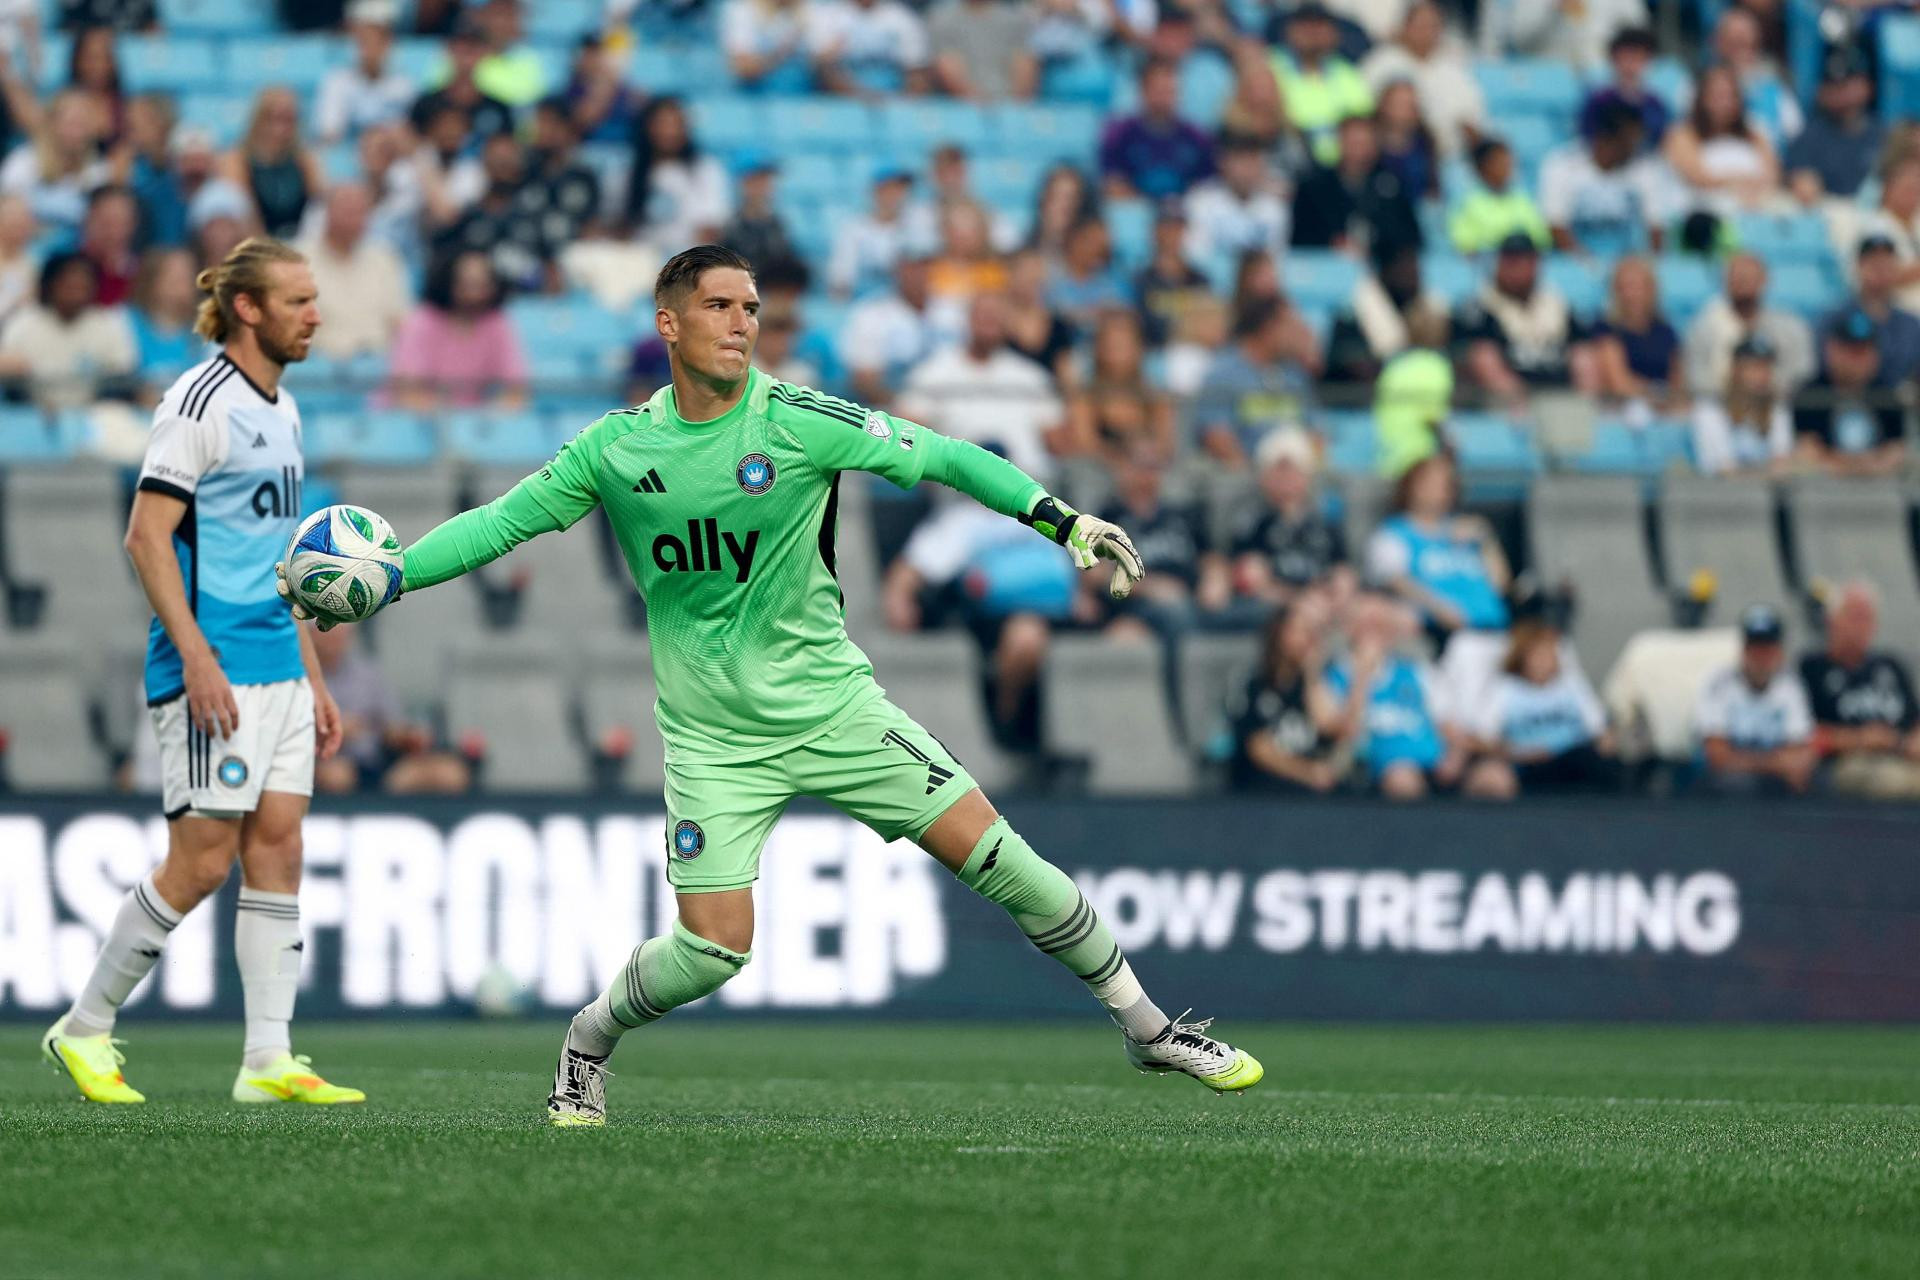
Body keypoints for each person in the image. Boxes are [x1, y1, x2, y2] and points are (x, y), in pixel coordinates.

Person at [298, 243, 1261, 1125]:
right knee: (713, 951)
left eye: (751, 308)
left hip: (836, 709)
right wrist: (394, 576)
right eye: (719, 306)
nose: (741, 323)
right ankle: (588, 1039)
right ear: (669, 323)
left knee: (1007, 861)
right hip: (714, 740)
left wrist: (1060, 518)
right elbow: (497, 524)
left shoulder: (799, 421)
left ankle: (1148, 1028)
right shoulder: (616, 449)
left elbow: (942, 454)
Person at [42, 237, 361, 1108]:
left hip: (277, 662)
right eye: (297, 301)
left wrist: (313, 676)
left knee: (280, 846)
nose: (315, 316)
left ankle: (267, 1060)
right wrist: (195, 656)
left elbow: (279, 558)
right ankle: (84, 1027)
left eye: (314, 299)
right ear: (248, 309)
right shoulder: (197, 401)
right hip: (212, 666)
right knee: (201, 862)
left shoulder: (285, 409)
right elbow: (145, 537)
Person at [897, 289, 1067, 481]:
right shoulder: (933, 374)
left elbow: (1058, 442)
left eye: (995, 317)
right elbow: (906, 434)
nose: (988, 323)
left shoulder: (1031, 377)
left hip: (1025, 483)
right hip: (959, 485)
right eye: (983, 316)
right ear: (967, 320)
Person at [1323, 590, 1470, 800]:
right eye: (1368, 626)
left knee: (1494, 779)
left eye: (1382, 625)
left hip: (1431, 765)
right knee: (1402, 780)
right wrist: (1362, 677)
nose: (1377, 634)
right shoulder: (1335, 677)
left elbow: (1449, 723)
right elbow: (1345, 733)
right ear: (1350, 628)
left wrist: (1454, 757)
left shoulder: (1417, 671)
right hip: (1376, 770)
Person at [308, 622, 472, 795]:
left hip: (377, 761)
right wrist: (330, 732)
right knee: (337, 777)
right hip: (326, 761)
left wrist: (407, 736)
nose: (335, 639)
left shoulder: (368, 674)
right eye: (328, 633)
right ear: (310, 635)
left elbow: (391, 725)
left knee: (450, 773)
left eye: (341, 633)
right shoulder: (298, 676)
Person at [1365, 452, 1509, 639]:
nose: (1439, 490)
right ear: (1410, 487)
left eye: (1446, 483)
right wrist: (1441, 610)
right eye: (1430, 483)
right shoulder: (1393, 535)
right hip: (1438, 634)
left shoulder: (1469, 531)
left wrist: (1487, 539)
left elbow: (1501, 585)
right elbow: (1394, 581)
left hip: (1495, 630)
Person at [1469, 620, 1617, 796]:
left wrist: (1606, 745)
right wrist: (1519, 754)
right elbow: (1483, 739)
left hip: (1573, 759)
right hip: (1526, 765)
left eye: (1550, 654)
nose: (1546, 661)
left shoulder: (1571, 686)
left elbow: (1600, 729)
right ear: (1523, 657)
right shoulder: (1505, 690)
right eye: (1539, 655)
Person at [1801, 582, 1920, 800]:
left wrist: (1908, 742)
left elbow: (1914, 721)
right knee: (1889, 779)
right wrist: (1860, 738)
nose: (1862, 626)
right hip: (1846, 762)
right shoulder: (1812, 669)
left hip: (1901, 756)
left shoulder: (1891, 665)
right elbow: (1801, 736)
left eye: (1868, 618)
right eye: (1855, 617)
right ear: (1832, 620)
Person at [1452, 234, 1596, 403]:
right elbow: (1484, 362)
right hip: (1507, 403)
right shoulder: (1480, 307)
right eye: (1511, 261)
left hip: (1561, 395)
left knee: (1585, 360)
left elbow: (1581, 352)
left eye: (1526, 261)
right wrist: (1526, 405)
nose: (1518, 269)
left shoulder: (1556, 303)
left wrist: (1584, 401)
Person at [1228, 596, 1349, 793]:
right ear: (1280, 633)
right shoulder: (1254, 683)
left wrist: (1312, 674)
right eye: (1301, 631)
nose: (1309, 639)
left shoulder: (1315, 682)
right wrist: (1306, 773)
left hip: (1312, 790)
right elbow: (1257, 748)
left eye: (1313, 632)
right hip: (1263, 789)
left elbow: (1330, 728)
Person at [1693, 603, 1814, 795]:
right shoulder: (1719, 683)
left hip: (1772, 786)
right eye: (1755, 648)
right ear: (1743, 650)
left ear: (1779, 652)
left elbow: (1799, 754)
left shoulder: (1790, 686)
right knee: (1735, 783)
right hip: (1727, 788)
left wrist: (1747, 761)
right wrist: (1775, 764)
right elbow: (1717, 756)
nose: (1760, 657)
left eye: (1767, 649)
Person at [384, 249, 527, 411]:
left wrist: (496, 411)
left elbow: (517, 390)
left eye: (483, 285)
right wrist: (446, 415)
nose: (475, 295)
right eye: (467, 285)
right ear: (448, 283)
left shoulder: (497, 323)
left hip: (475, 420)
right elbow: (408, 394)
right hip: (417, 419)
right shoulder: (421, 323)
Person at [1190, 294, 1320, 468]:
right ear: (1268, 328)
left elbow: (1315, 431)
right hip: (1241, 477)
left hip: (1296, 476)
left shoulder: (1294, 375)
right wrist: (1253, 476)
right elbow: (1216, 435)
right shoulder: (1223, 374)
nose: (1297, 333)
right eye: (1290, 326)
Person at [1228, 425, 1350, 610]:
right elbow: (1249, 577)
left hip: (1323, 605)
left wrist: (1327, 599)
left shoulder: (1325, 521)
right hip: (1273, 609)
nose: (1286, 478)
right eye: (1279, 470)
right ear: (1264, 476)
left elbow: (1343, 572)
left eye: (1293, 470)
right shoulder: (1251, 521)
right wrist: (1297, 603)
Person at [0, 250, 136, 408]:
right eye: (68, 285)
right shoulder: (22, 323)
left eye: (82, 286)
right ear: (50, 284)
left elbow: (122, 375)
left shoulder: (107, 325)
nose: (75, 293)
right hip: (30, 412)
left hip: (93, 412)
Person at [299, 181, 411, 361]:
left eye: (360, 212)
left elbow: (400, 322)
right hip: (316, 363)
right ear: (327, 212)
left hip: (375, 362)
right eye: (346, 210)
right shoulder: (297, 260)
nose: (354, 218)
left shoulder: (385, 259)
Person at [1539, 100, 1667, 256]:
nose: (1635, 148)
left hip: (1629, 262)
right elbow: (1555, 225)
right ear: (1605, 140)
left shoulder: (1645, 169)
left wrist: (1647, 263)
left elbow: (1655, 227)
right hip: (1575, 261)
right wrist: (1588, 263)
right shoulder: (1562, 165)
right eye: (1629, 142)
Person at [1792, 308, 1908, 477]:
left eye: (1865, 350)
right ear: (1831, 349)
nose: (1859, 360)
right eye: (1852, 351)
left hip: (1880, 485)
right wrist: (1841, 466)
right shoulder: (1810, 395)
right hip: (1822, 486)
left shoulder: (1887, 396)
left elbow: (1897, 449)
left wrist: (1871, 466)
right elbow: (1805, 449)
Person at [1682, 252, 1814, 397]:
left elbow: (1802, 371)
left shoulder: (1789, 326)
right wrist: (1734, 385)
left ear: (1764, 280)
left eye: (1749, 278)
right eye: (1737, 278)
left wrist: (1767, 383)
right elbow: (1694, 375)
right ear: (1725, 281)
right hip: (1718, 404)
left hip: (1777, 403)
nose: (1743, 284)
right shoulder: (1704, 327)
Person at [1359, 1, 1482, 156]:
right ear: (1404, 26)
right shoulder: (1380, 63)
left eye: (1433, 26)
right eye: (1421, 25)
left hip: (1452, 157)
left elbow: (1474, 121)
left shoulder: (1453, 68)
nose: (1427, 32)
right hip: (1393, 154)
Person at [1290, 113, 1422, 257]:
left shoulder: (1391, 187)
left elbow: (1409, 237)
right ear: (1340, 143)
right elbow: (1300, 239)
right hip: (1327, 263)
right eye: (1353, 143)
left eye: (1364, 143)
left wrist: (1378, 247)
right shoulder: (1314, 188)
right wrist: (1332, 243)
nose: (1359, 150)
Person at [1325, 240, 1448, 385]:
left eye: (1415, 263)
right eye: (1405, 264)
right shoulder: (1352, 315)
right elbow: (1341, 365)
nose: (1414, 271)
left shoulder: (1431, 306)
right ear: (1387, 269)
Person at [1662, 64, 1778, 219]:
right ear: (1702, 98)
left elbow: (1772, 174)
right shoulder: (1682, 134)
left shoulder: (1755, 132)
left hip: (1755, 209)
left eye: (1731, 96)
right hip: (1703, 214)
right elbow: (1698, 177)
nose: (1725, 103)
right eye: (1718, 96)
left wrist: (1752, 192)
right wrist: (1737, 183)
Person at [1263, 3, 1373, 166]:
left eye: (1320, 26)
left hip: (1340, 168)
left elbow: (1362, 122)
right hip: (1287, 158)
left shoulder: (1345, 72)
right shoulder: (1270, 63)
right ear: (1290, 30)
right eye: (1305, 26)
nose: (1313, 33)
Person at [1097, 57, 1214, 201]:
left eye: (1169, 90)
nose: (1164, 97)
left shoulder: (1197, 138)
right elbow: (1113, 184)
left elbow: (1206, 187)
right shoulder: (1120, 135)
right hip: (1135, 208)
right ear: (1142, 91)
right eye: (1158, 90)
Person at [626, 96, 730, 257]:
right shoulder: (629, 171)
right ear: (647, 127)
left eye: (675, 124)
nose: (668, 132)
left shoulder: (706, 169)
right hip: (639, 257)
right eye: (661, 124)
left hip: (689, 259)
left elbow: (712, 227)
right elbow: (620, 226)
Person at [1068, 306, 1174, 463]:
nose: (1115, 352)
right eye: (1110, 345)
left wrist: (1147, 457)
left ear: (1138, 348)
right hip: (1101, 469)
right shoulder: (1085, 397)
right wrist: (1120, 462)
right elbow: (1086, 444)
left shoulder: (1155, 396)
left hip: (1149, 468)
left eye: (1123, 345)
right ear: (1098, 348)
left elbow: (1166, 444)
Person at [839, 250, 944, 407]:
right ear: (898, 271)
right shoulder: (871, 314)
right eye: (911, 268)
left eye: (924, 267)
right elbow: (863, 378)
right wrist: (901, 408)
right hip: (892, 406)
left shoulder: (953, 311)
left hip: (949, 401)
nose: (919, 275)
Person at [0, 88, 109, 237]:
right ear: (51, 124)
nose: (76, 133)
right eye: (70, 124)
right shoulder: (23, 162)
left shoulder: (98, 172)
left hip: (77, 248)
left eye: (82, 125)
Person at [219, 87, 323, 241]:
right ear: (258, 120)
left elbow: (319, 203)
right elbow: (243, 213)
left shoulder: (305, 159)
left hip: (300, 241)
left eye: (289, 120)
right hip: (257, 243)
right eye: (274, 119)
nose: (281, 129)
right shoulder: (237, 159)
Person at [1784, 48, 1882, 205]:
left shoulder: (1882, 136)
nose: (1841, 93)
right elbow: (1802, 183)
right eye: (1833, 85)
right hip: (1830, 211)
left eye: (1847, 84)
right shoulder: (1809, 138)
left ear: (1866, 86)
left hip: (1875, 212)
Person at [315, 0, 415, 145]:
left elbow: (409, 137)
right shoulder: (337, 82)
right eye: (363, 40)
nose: (369, 47)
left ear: (388, 43)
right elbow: (329, 133)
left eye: (377, 39)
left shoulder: (403, 85)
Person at [1591, 254, 1681, 412]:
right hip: (1622, 408)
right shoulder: (1606, 329)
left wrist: (1669, 400)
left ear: (1651, 289)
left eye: (1637, 286)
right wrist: (1655, 394)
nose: (1631, 294)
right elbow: (1618, 383)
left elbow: (1678, 380)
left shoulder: (1666, 331)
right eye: (1625, 287)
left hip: (1664, 406)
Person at [1182, 131, 1289, 263]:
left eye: (1254, 161)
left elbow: (1274, 260)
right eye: (1241, 161)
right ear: (1223, 163)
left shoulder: (1274, 207)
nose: (1248, 170)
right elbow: (1196, 258)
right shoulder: (1200, 201)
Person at [1691, 335, 1790, 476]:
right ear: (1735, 370)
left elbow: (1781, 461)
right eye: (1754, 368)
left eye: (1766, 367)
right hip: (1716, 489)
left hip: (1762, 487)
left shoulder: (1777, 409)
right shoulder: (1709, 412)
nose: (1762, 376)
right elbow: (1725, 471)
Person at [1831, 234, 1920, 386]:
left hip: (1900, 398)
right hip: (1849, 395)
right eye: (1874, 263)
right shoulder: (1836, 318)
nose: (1881, 271)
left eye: (1887, 264)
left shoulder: (1910, 324)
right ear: (1859, 266)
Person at [828, 164, 919, 299]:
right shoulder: (853, 229)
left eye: (900, 189)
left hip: (903, 305)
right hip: (863, 303)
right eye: (889, 188)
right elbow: (840, 282)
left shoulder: (917, 226)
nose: (895, 195)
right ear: (875, 191)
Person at [1447, 136, 1549, 256]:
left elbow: (1540, 238)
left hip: (1523, 260)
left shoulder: (1522, 198)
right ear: (1482, 166)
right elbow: (1463, 244)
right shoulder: (1466, 202)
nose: (1507, 167)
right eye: (1499, 162)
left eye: (1508, 162)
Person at [807, 0, 932, 96]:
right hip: (841, 101)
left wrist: (901, 103)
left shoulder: (901, 18)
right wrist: (860, 95)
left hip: (895, 101)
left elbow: (917, 73)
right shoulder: (828, 17)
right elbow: (821, 68)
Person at [1578, 27, 1669, 154]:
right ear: (1614, 59)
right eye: (1626, 58)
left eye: (1638, 58)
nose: (1630, 66)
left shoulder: (1655, 104)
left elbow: (1658, 139)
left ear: (1648, 61)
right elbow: (1588, 137)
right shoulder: (1598, 101)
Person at [927, 0, 1038, 100]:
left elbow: (1023, 62)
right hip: (962, 104)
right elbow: (946, 64)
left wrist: (1013, 105)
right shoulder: (942, 19)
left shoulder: (1015, 20)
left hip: (1011, 103)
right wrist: (979, 101)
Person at [1133, 206, 1210, 348]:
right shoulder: (1140, 280)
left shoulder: (1200, 280)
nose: (1172, 235)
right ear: (1155, 232)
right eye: (1166, 228)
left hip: (1192, 351)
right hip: (1153, 351)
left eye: (1177, 228)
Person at [126, 245, 201, 390]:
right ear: (153, 281)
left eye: (189, 276)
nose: (185, 284)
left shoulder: (204, 334)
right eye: (177, 277)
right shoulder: (124, 324)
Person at [719, 152, 797, 268]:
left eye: (766, 179)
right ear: (742, 183)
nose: (764, 186)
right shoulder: (730, 227)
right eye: (756, 179)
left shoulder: (777, 224)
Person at [721, 0, 813, 93]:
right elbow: (744, 69)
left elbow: (820, 74)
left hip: (804, 95)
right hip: (752, 95)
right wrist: (786, 49)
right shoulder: (741, 10)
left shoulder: (811, 11)